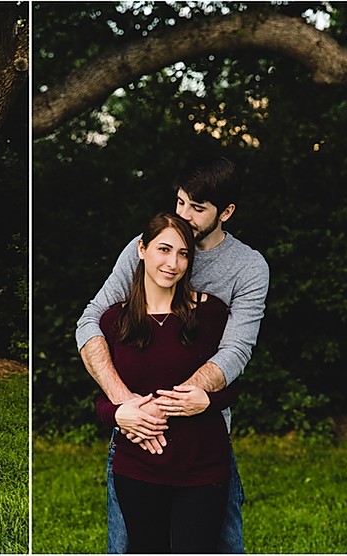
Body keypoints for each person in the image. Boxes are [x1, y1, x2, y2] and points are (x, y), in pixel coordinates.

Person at [76, 157, 269, 553]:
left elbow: (236, 349)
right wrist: (126, 404)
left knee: (223, 544)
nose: (184, 215)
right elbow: (90, 321)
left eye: (197, 209)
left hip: (204, 437)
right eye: (180, 202)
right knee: (129, 544)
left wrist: (171, 405)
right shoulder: (141, 249)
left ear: (226, 212)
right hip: (135, 431)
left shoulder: (247, 268)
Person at [93, 214, 236, 552]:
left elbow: (231, 386)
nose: (173, 263)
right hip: (137, 468)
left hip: (202, 467)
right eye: (164, 249)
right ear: (141, 250)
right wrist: (118, 415)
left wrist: (207, 401)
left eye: (184, 254)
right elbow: (101, 401)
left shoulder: (211, 314)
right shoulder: (114, 320)